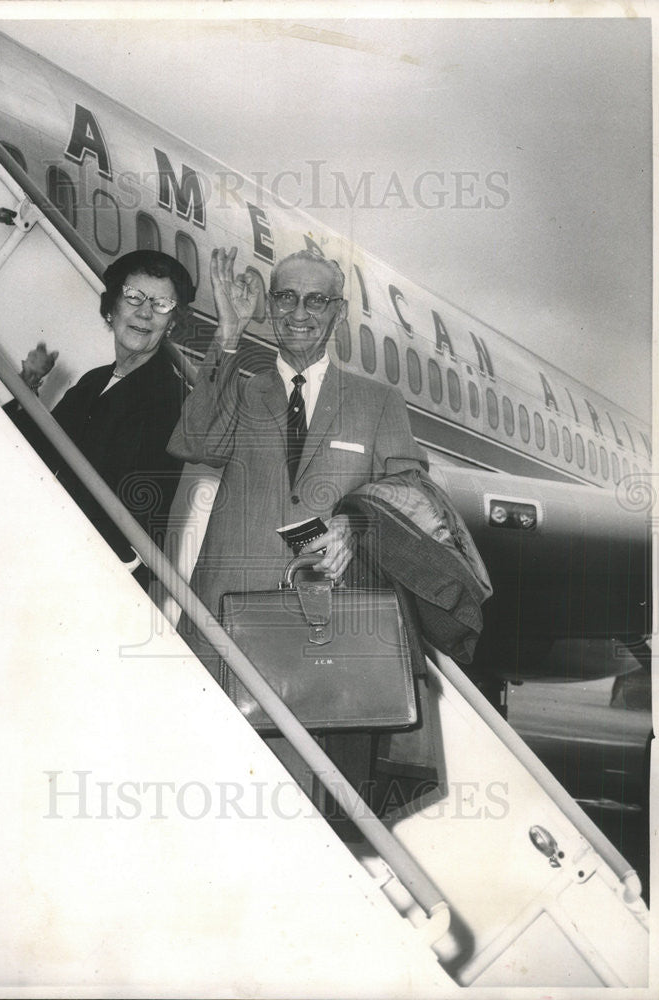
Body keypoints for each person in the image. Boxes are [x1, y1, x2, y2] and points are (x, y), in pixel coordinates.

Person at [168, 246, 429, 808]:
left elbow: (413, 492)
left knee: (310, 806)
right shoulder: (239, 387)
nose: (299, 312)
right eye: (285, 297)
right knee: (210, 792)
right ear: (270, 306)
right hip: (226, 625)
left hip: (325, 634)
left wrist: (356, 521)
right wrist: (229, 336)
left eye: (316, 300)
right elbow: (193, 442)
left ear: (337, 312)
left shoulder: (377, 403)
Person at [10, 249, 194, 589]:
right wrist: (27, 384)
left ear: (171, 324)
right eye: (134, 297)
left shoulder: (168, 398)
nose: (145, 313)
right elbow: (38, 450)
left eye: (161, 304)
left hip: (101, 569)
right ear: (111, 309)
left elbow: (139, 506)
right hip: (61, 551)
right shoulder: (95, 381)